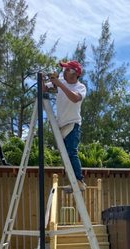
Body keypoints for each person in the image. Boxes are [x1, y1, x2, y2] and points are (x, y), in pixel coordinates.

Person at [45, 60, 87, 191]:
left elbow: (74, 98)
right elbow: (44, 88)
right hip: (61, 125)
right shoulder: (61, 82)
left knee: (71, 152)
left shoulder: (80, 87)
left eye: (67, 69)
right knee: (65, 155)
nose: (64, 71)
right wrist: (43, 80)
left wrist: (59, 85)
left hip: (73, 124)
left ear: (75, 73)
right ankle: (74, 182)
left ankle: (79, 181)